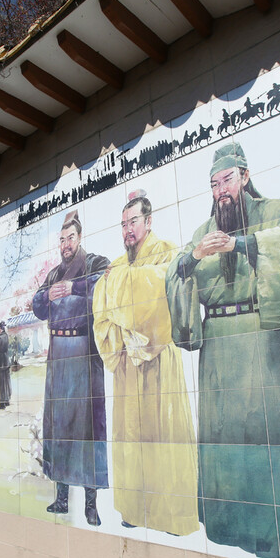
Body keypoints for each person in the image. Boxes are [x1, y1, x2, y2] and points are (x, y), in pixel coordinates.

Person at [165, 141, 280, 558]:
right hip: (220, 354)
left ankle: (275, 537)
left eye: (227, 179)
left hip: (265, 343)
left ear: (244, 176)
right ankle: (230, 528)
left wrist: (241, 246)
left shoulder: (278, 212)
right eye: (213, 184)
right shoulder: (202, 233)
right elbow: (174, 273)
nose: (220, 190)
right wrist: (193, 257)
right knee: (228, 445)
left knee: (268, 438)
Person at [93, 191, 199, 535]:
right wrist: (123, 334)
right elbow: (101, 311)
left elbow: (165, 290)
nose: (127, 230)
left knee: (163, 434)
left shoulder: (167, 252)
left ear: (148, 221)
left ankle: (170, 515)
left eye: (133, 222)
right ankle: (134, 509)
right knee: (131, 439)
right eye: (123, 224)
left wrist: (120, 288)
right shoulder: (117, 265)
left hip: (157, 361)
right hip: (127, 364)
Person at [32, 209, 109, 526]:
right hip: (58, 360)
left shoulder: (94, 263)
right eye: (61, 240)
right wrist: (47, 293)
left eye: (70, 238)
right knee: (59, 428)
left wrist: (74, 288)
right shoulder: (52, 275)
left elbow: (107, 283)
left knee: (89, 429)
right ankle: (61, 498)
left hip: (84, 351)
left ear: (80, 238)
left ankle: (91, 504)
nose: (65, 244)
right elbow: (37, 306)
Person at [0, 322, 12, 409]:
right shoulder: (6, 337)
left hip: (1, 362)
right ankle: (7, 400)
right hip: (6, 361)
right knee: (7, 380)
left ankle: (2, 402)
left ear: (0, 329)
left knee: (1, 382)